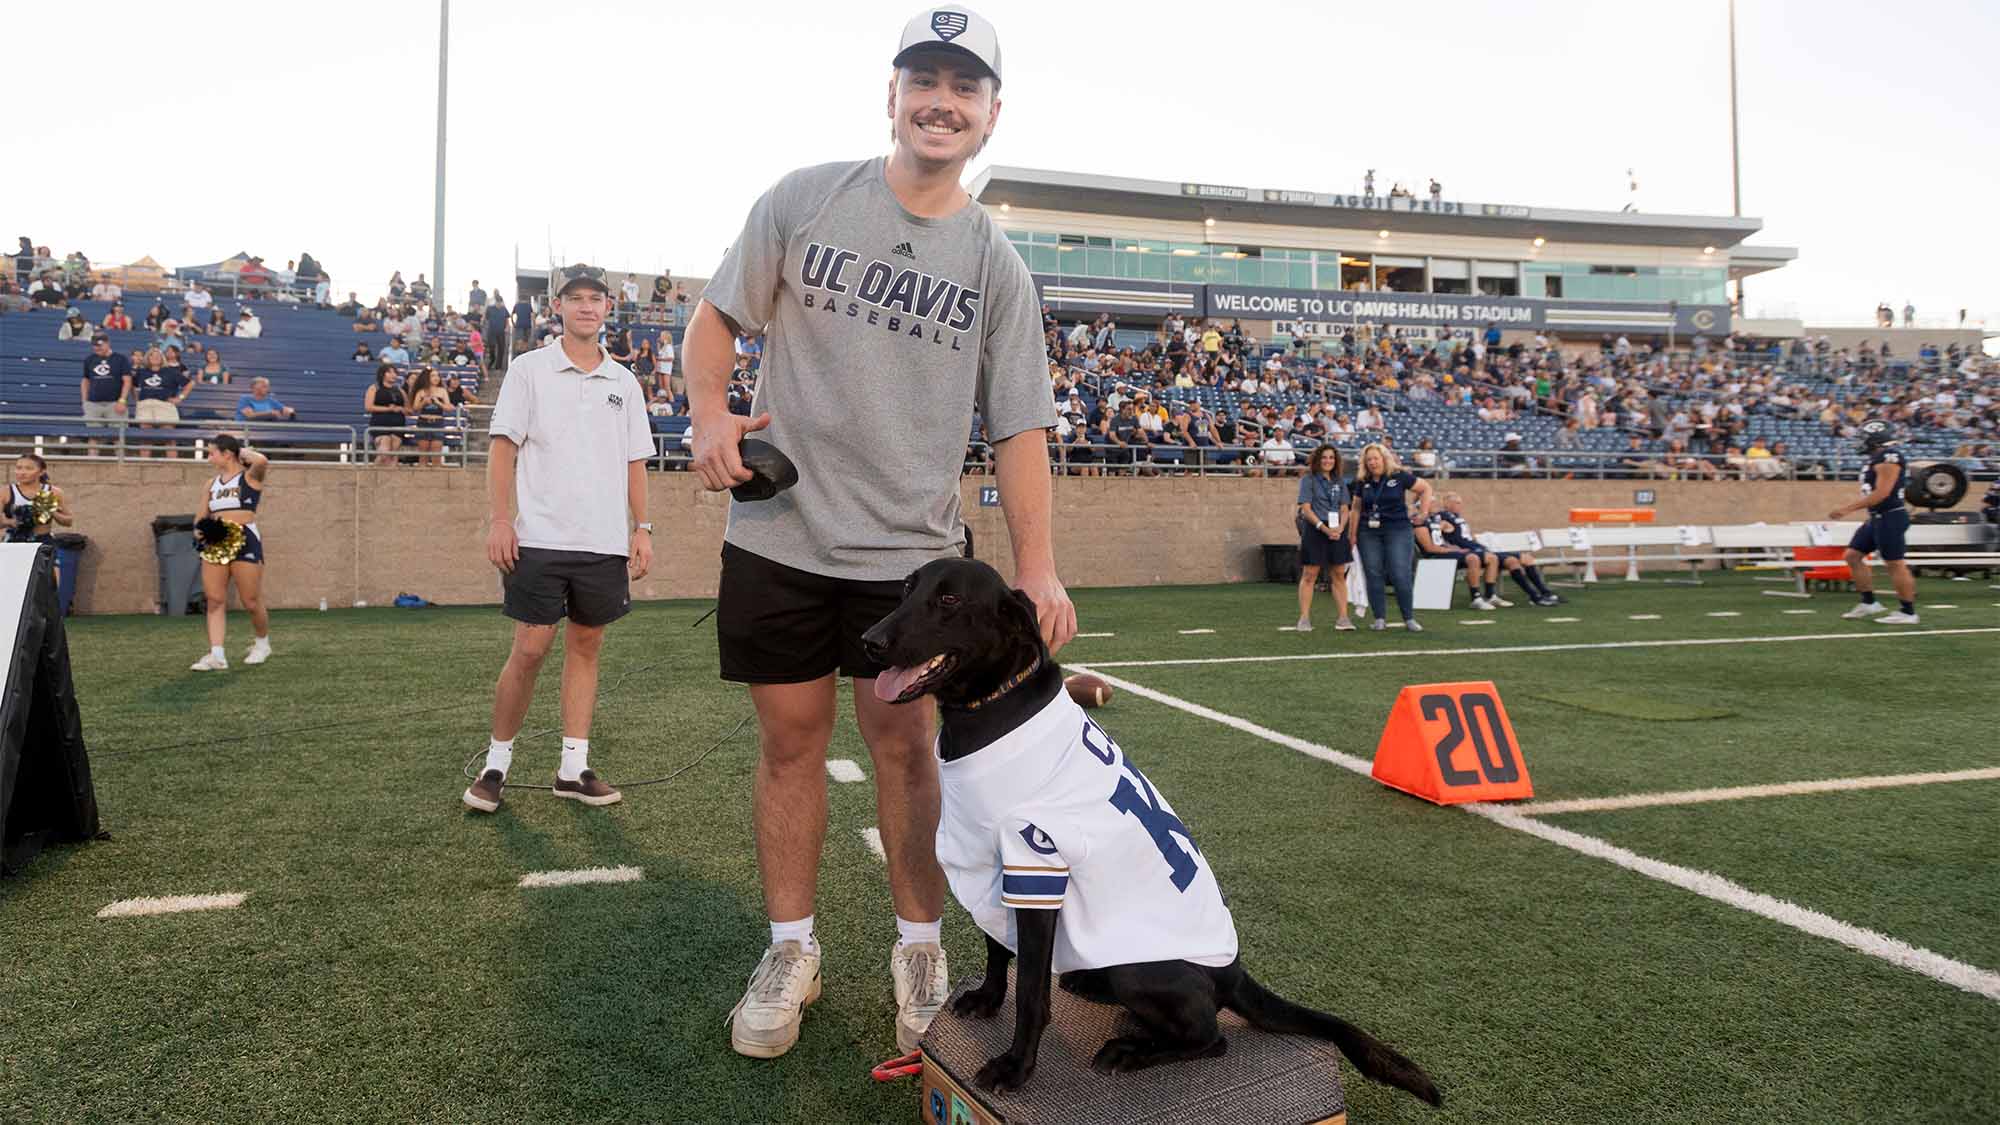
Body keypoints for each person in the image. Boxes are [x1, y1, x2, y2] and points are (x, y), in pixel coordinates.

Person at [685, 5, 1071, 1061]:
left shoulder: (996, 264)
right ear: (890, 95)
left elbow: (1021, 423)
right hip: (779, 537)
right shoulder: (806, 197)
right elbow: (715, 318)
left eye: (964, 86)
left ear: (990, 115)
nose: (940, 101)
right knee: (788, 743)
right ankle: (790, 948)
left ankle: (917, 950)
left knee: (907, 752)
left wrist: (1035, 565)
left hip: (912, 568)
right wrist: (711, 413)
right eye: (924, 80)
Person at [463, 264, 655, 815]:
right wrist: (501, 520)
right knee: (530, 647)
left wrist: (641, 529)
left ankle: (573, 768)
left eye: (596, 298)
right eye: (576, 298)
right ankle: (496, 763)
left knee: (587, 646)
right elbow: (503, 448)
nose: (587, 307)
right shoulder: (529, 370)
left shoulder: (625, 381)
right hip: (540, 537)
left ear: (607, 308)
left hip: (603, 543)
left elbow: (635, 462)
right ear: (559, 307)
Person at [188, 435, 272, 671]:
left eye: (212, 452)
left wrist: (241, 451)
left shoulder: (249, 477)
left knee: (251, 600)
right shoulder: (210, 484)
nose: (208, 457)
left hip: (245, 539)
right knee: (214, 599)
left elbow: (262, 461)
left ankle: (262, 643)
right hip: (216, 542)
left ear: (227, 454)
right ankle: (217, 654)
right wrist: (199, 532)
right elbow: (200, 517)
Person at [1833, 419, 1918, 624]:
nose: (1860, 441)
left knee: (1895, 564)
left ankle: (1908, 612)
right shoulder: (1877, 457)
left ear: (1876, 437)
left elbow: (1882, 493)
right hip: (1877, 516)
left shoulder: (1889, 456)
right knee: (1853, 556)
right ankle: (1869, 603)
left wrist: (1847, 509)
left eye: (1864, 437)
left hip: (1890, 515)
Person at [1347, 441, 1433, 632]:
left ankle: (1409, 618)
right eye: (1368, 460)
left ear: (1384, 458)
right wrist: (1352, 535)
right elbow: (1356, 508)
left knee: (1400, 573)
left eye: (1375, 458)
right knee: (1373, 573)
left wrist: (1423, 513)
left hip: (1398, 529)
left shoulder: (1399, 476)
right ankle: (1379, 618)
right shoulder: (1362, 481)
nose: (1372, 462)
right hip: (1368, 531)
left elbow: (1425, 488)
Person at [1294, 445, 1353, 631]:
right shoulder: (1308, 480)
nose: (1328, 461)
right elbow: (1306, 507)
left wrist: (1341, 528)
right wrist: (1324, 528)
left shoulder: (1340, 481)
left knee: (1338, 574)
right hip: (1316, 530)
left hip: (1337, 531)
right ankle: (1304, 618)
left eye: (1331, 458)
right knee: (1310, 574)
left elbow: (1345, 507)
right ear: (1318, 459)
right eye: (1324, 457)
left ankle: (1343, 618)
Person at [133, 346, 192, 457]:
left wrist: (180, 398)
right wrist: (137, 400)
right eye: (152, 355)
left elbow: (189, 383)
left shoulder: (171, 371)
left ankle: (172, 466)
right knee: (145, 438)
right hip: (146, 405)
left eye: (158, 355)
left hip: (164, 405)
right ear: (148, 358)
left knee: (169, 437)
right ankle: (143, 464)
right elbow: (133, 385)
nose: (155, 357)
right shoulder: (141, 372)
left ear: (162, 358)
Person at [79, 334, 132, 454]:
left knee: (118, 435)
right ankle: (92, 461)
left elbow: (127, 381)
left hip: (115, 402)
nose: (98, 348)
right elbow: (85, 380)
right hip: (93, 403)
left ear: (107, 343)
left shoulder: (120, 359)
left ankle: (121, 465)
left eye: (100, 345)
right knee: (93, 435)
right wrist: (84, 401)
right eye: (95, 346)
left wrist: (122, 400)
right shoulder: (89, 359)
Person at [363, 364, 406, 465]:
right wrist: (388, 409)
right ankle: (372, 474)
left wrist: (401, 409)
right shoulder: (374, 388)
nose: (393, 375)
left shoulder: (400, 390)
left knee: (394, 453)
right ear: (383, 374)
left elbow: (409, 409)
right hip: (380, 423)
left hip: (398, 424)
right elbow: (368, 407)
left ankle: (391, 477)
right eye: (389, 372)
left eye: (395, 373)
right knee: (385, 452)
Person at [408, 367, 449, 467]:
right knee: (423, 454)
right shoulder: (421, 392)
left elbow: (448, 407)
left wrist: (438, 403)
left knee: (436, 453)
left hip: (437, 422)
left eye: (437, 376)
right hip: (423, 422)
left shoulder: (442, 391)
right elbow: (415, 408)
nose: (436, 378)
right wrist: (424, 402)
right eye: (433, 376)